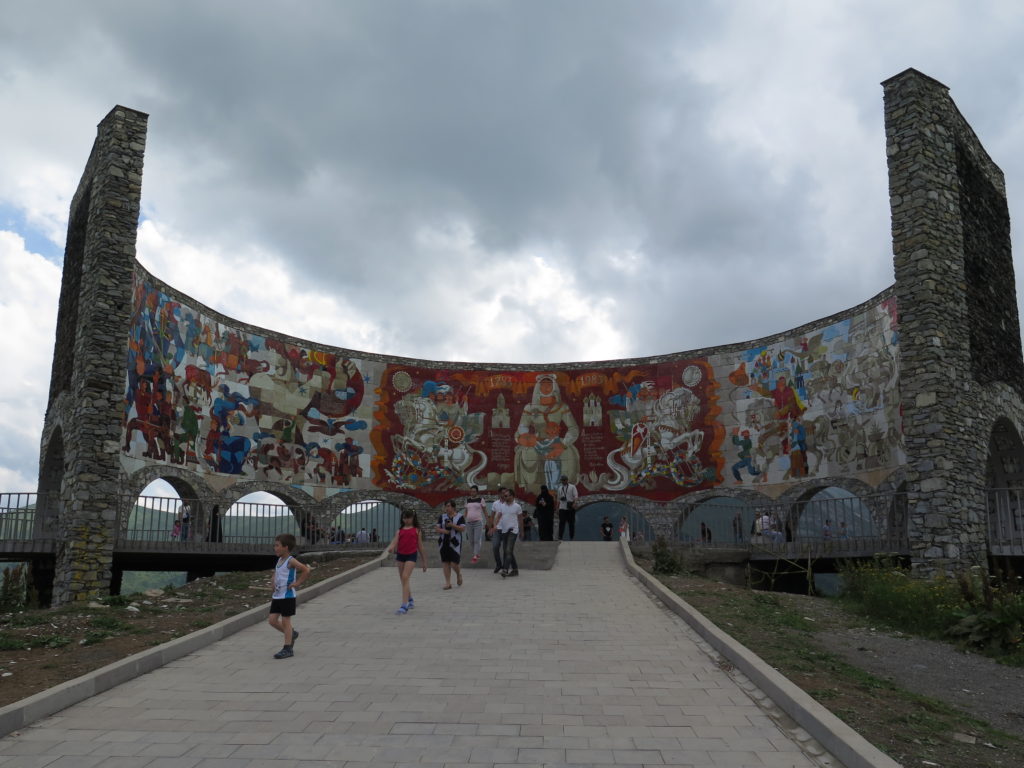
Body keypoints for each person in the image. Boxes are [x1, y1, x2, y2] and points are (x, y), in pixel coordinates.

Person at [268, 533, 310, 659]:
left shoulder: (291, 560)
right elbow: (277, 572)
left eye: (277, 545)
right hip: (277, 596)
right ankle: (292, 634)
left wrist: (297, 583)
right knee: (272, 621)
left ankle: (287, 648)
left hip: (287, 596)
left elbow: (306, 570)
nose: (275, 548)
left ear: (286, 547)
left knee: (286, 622)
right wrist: (273, 581)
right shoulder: (279, 560)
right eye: (274, 545)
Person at [387, 511, 428, 614]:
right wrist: (391, 547)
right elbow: (394, 541)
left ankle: (404, 605)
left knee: (405, 577)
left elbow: (420, 547)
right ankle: (410, 600)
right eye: (404, 518)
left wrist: (424, 561)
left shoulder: (417, 531)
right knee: (403, 580)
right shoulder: (399, 531)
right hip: (401, 556)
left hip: (411, 555)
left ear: (413, 518)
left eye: (408, 518)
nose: (406, 520)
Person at [491, 488, 523, 577]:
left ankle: (505, 569)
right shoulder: (502, 506)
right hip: (504, 531)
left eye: (506, 496)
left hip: (513, 531)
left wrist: (522, 531)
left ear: (512, 496)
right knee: (508, 551)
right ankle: (515, 569)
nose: (504, 497)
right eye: (504, 496)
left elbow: (520, 520)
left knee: (508, 550)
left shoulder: (517, 506)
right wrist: (494, 526)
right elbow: (498, 517)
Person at [435, 500, 465, 589]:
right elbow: (437, 528)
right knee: (445, 562)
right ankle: (448, 583)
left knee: (454, 563)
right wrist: (444, 531)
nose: (447, 508)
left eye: (448, 506)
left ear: (453, 507)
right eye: (446, 506)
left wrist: (452, 525)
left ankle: (458, 574)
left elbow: (462, 529)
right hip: (443, 542)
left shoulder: (460, 516)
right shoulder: (442, 516)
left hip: (455, 542)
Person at [463, 486, 486, 563]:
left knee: (476, 540)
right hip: (469, 523)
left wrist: (488, 521)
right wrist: (463, 521)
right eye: (471, 491)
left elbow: (485, 511)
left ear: (477, 492)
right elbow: (466, 512)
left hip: (478, 522)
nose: (472, 493)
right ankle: (476, 553)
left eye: (474, 491)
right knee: (471, 540)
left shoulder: (481, 500)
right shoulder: (467, 500)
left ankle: (475, 555)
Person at [556, 474, 579, 541]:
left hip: (570, 507)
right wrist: (557, 508)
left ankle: (571, 537)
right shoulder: (560, 488)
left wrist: (575, 503)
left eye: (564, 480)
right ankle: (560, 537)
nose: (563, 482)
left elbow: (576, 496)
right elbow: (558, 499)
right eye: (562, 480)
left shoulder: (572, 487)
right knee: (561, 523)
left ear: (567, 480)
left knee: (571, 523)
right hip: (562, 508)